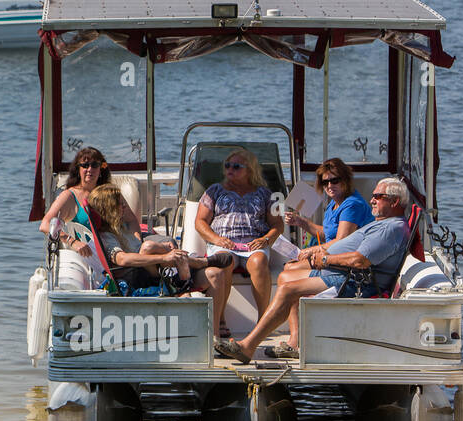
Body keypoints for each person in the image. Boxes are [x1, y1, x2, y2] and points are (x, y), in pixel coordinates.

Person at [216, 179, 411, 363]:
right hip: (343, 273)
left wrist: (326, 259)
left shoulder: (390, 229)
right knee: (286, 277)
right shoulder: (385, 224)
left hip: (354, 281)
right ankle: (295, 342)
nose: (372, 200)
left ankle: (247, 346)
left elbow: (359, 260)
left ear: (394, 201)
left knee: (288, 290)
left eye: (378, 196)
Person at [195, 148, 284, 337]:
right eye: (227, 165)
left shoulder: (265, 194)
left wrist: (265, 239)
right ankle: (220, 320)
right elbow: (200, 222)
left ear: (250, 169)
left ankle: (263, 321)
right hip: (223, 243)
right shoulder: (214, 191)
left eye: (236, 166)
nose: (230, 169)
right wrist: (217, 239)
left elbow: (278, 225)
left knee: (259, 262)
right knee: (224, 263)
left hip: (254, 244)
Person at [89, 184, 232, 296]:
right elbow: (122, 260)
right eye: (121, 204)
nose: (125, 206)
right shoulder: (107, 236)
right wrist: (164, 256)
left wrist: (163, 248)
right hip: (142, 277)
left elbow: (135, 231)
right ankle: (196, 263)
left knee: (216, 274)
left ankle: (219, 329)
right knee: (148, 247)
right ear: (109, 209)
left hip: (157, 269)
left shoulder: (121, 227)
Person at [39, 147, 140, 258]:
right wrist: (72, 241)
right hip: (89, 256)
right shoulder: (69, 196)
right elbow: (45, 225)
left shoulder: (109, 192)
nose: (90, 169)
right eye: (85, 165)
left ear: (101, 169)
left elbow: (131, 220)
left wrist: (136, 242)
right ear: (78, 169)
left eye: (95, 165)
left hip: (119, 251)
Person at [285, 158, 373, 246]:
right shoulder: (334, 203)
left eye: (334, 181)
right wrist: (300, 222)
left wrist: (311, 251)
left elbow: (341, 243)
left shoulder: (353, 205)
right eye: (325, 182)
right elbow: (328, 234)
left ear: (345, 180)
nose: (329, 186)